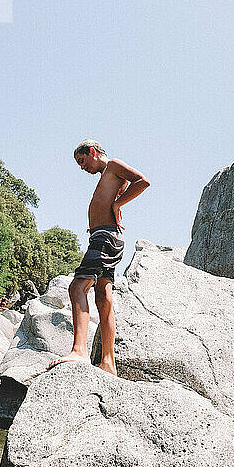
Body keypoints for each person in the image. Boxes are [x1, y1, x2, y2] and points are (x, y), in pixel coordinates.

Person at [47, 139, 150, 376]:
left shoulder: (113, 165)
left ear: (92, 152)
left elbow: (143, 181)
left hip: (105, 236)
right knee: (103, 297)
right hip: (103, 236)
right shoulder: (108, 174)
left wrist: (117, 205)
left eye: (82, 161)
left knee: (77, 288)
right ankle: (108, 363)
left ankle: (79, 351)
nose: (83, 168)